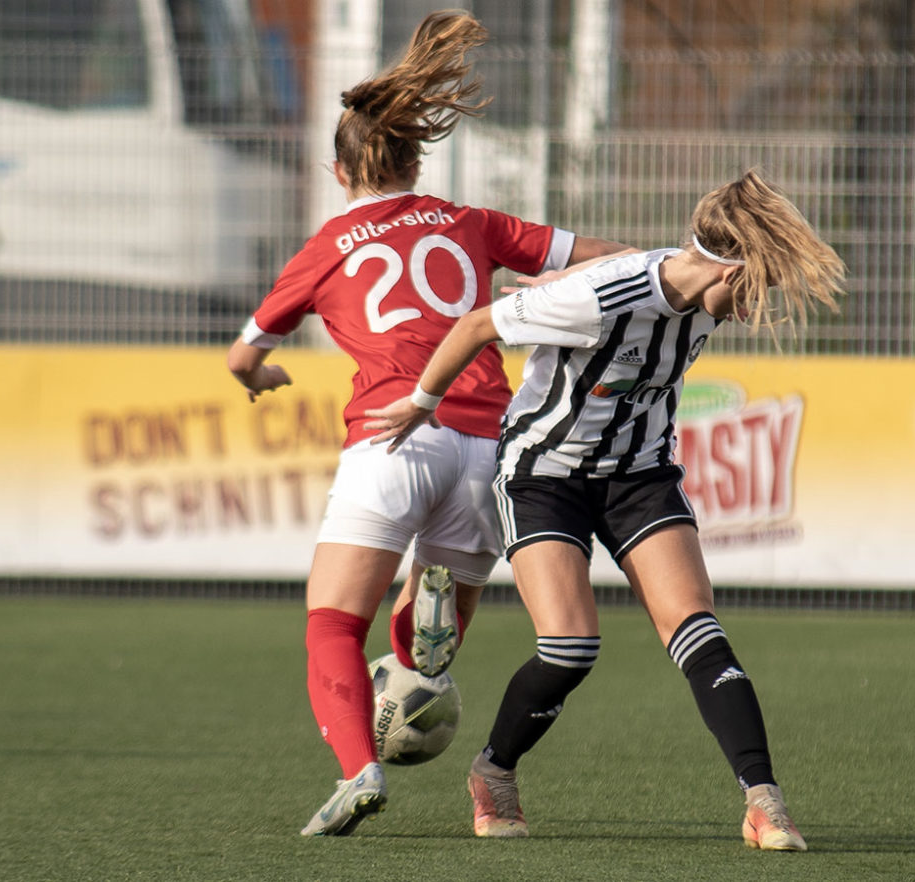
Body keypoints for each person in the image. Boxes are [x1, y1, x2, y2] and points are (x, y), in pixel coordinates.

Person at [225, 10, 630, 838]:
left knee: (333, 621)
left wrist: (263, 375)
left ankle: (358, 768)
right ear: (417, 158)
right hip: (487, 445)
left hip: (391, 437)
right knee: (425, 631)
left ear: (339, 172)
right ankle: (420, 646)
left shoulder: (328, 243)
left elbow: (242, 355)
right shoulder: (469, 223)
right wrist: (647, 278)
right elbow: (596, 253)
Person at [363, 170, 846, 850]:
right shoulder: (601, 300)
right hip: (542, 475)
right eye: (759, 282)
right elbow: (476, 325)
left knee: (699, 631)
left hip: (639, 474)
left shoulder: (695, 285)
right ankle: (493, 771)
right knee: (570, 647)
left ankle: (765, 802)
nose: (759, 302)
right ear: (729, 268)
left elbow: (646, 259)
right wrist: (422, 403)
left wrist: (562, 283)